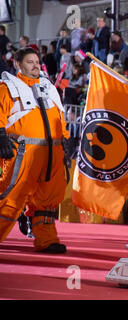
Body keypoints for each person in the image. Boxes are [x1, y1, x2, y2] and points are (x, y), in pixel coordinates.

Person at [0, 47, 69, 253]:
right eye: (30, 62)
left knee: (47, 202)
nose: (36, 65)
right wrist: (1, 135)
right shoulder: (7, 88)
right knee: (11, 198)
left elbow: (59, 117)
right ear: (18, 65)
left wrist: (66, 139)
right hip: (22, 154)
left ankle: (46, 240)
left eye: (37, 62)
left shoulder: (48, 87)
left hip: (51, 154)